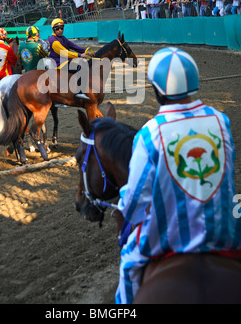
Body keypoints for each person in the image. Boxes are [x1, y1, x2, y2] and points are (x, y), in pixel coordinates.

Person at [115, 47, 241, 304]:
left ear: (158, 89)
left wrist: (124, 208)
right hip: (225, 231)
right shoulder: (222, 121)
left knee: (129, 261)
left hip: (171, 239)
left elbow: (135, 202)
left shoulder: (149, 134)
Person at [48, 18, 93, 98]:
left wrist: (85, 51)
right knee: (80, 67)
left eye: (61, 28)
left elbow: (72, 46)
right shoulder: (53, 40)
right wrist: (79, 55)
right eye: (57, 29)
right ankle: (79, 92)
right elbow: (65, 53)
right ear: (53, 30)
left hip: (66, 61)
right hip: (59, 64)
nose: (60, 30)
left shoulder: (62, 37)